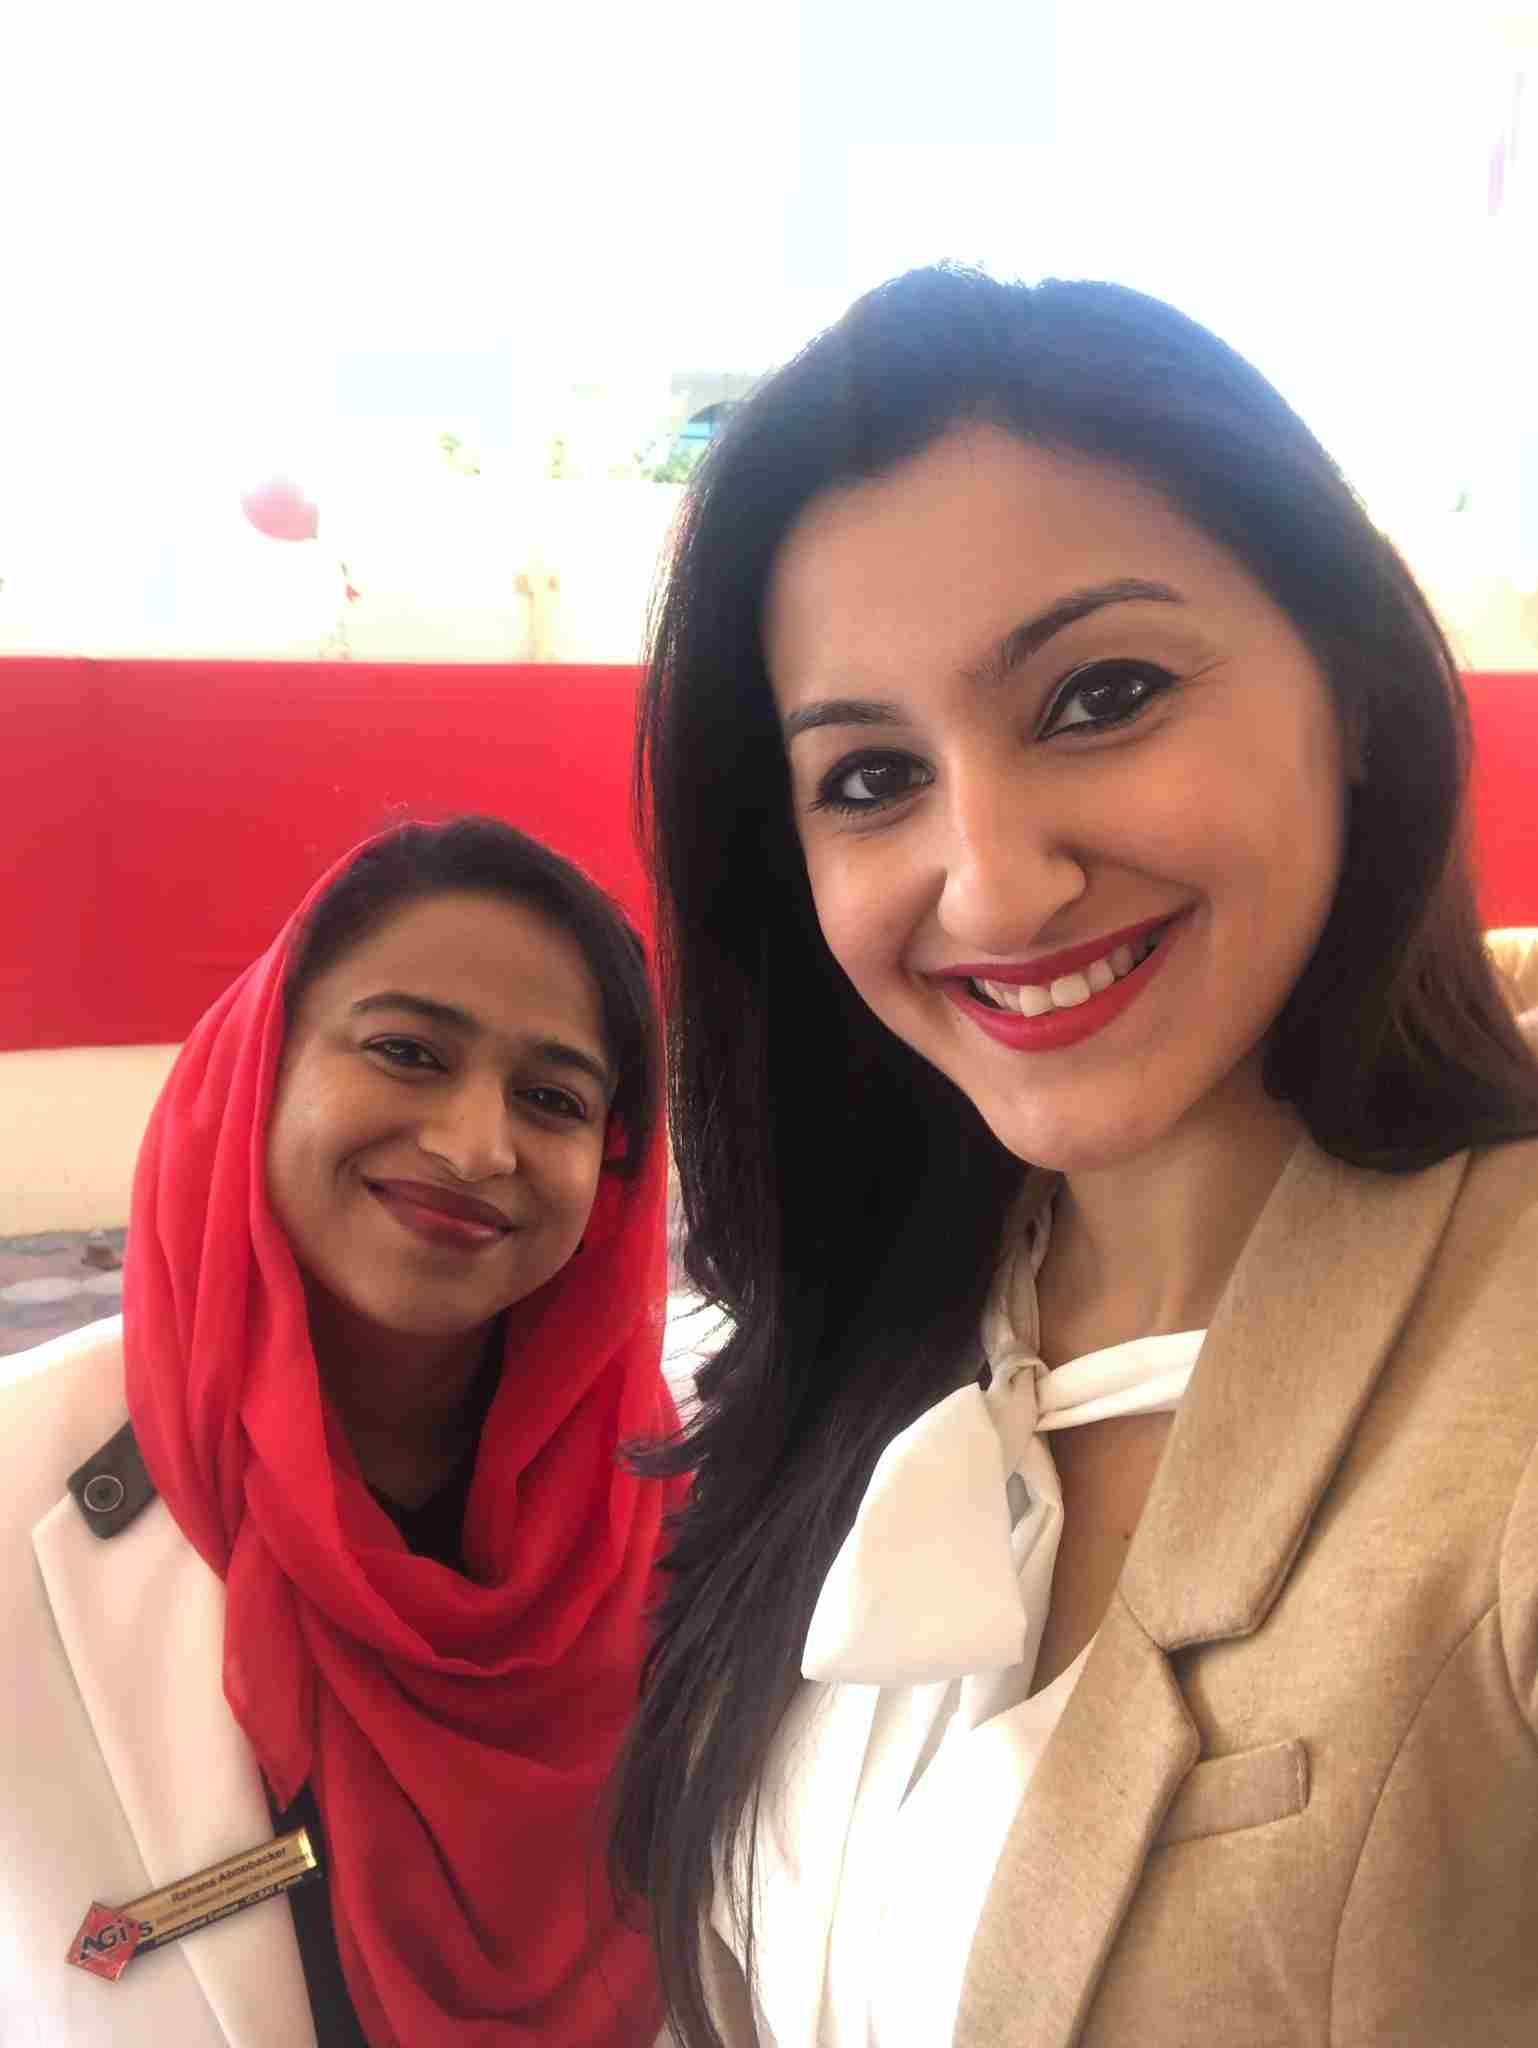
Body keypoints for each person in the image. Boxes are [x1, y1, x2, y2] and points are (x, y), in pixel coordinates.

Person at [608, 266, 1538, 2047]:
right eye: (868, 777)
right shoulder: (851, 1338)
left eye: (1098, 695)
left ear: (1348, 687)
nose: (992, 882)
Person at [3, 816, 678, 2047]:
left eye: (552, 1097)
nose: (476, 1145)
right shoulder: (18, 1482)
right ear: (260, 1065)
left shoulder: (670, 1511)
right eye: (406, 1050)